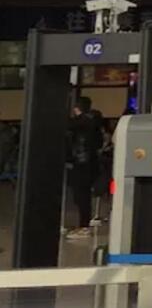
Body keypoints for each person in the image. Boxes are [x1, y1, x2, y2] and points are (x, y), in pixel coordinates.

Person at [66, 97, 104, 238]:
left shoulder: (76, 124)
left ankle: (83, 226)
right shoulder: (95, 122)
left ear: (76, 108)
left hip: (80, 163)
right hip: (91, 163)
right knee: (84, 195)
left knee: (81, 196)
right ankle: (84, 224)